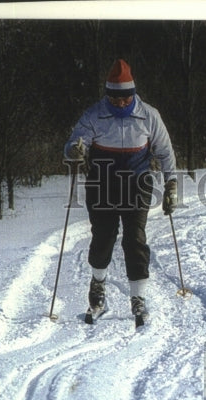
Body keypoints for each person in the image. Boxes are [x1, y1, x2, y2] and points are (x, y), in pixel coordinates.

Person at [64, 59, 178, 325]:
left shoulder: (149, 115)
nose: (121, 103)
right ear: (107, 95)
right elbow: (73, 143)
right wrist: (75, 150)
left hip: (137, 183)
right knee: (103, 237)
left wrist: (171, 184)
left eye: (126, 97)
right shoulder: (94, 115)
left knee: (134, 239)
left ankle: (138, 299)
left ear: (133, 93)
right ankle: (98, 289)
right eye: (115, 98)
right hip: (102, 183)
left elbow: (164, 151)